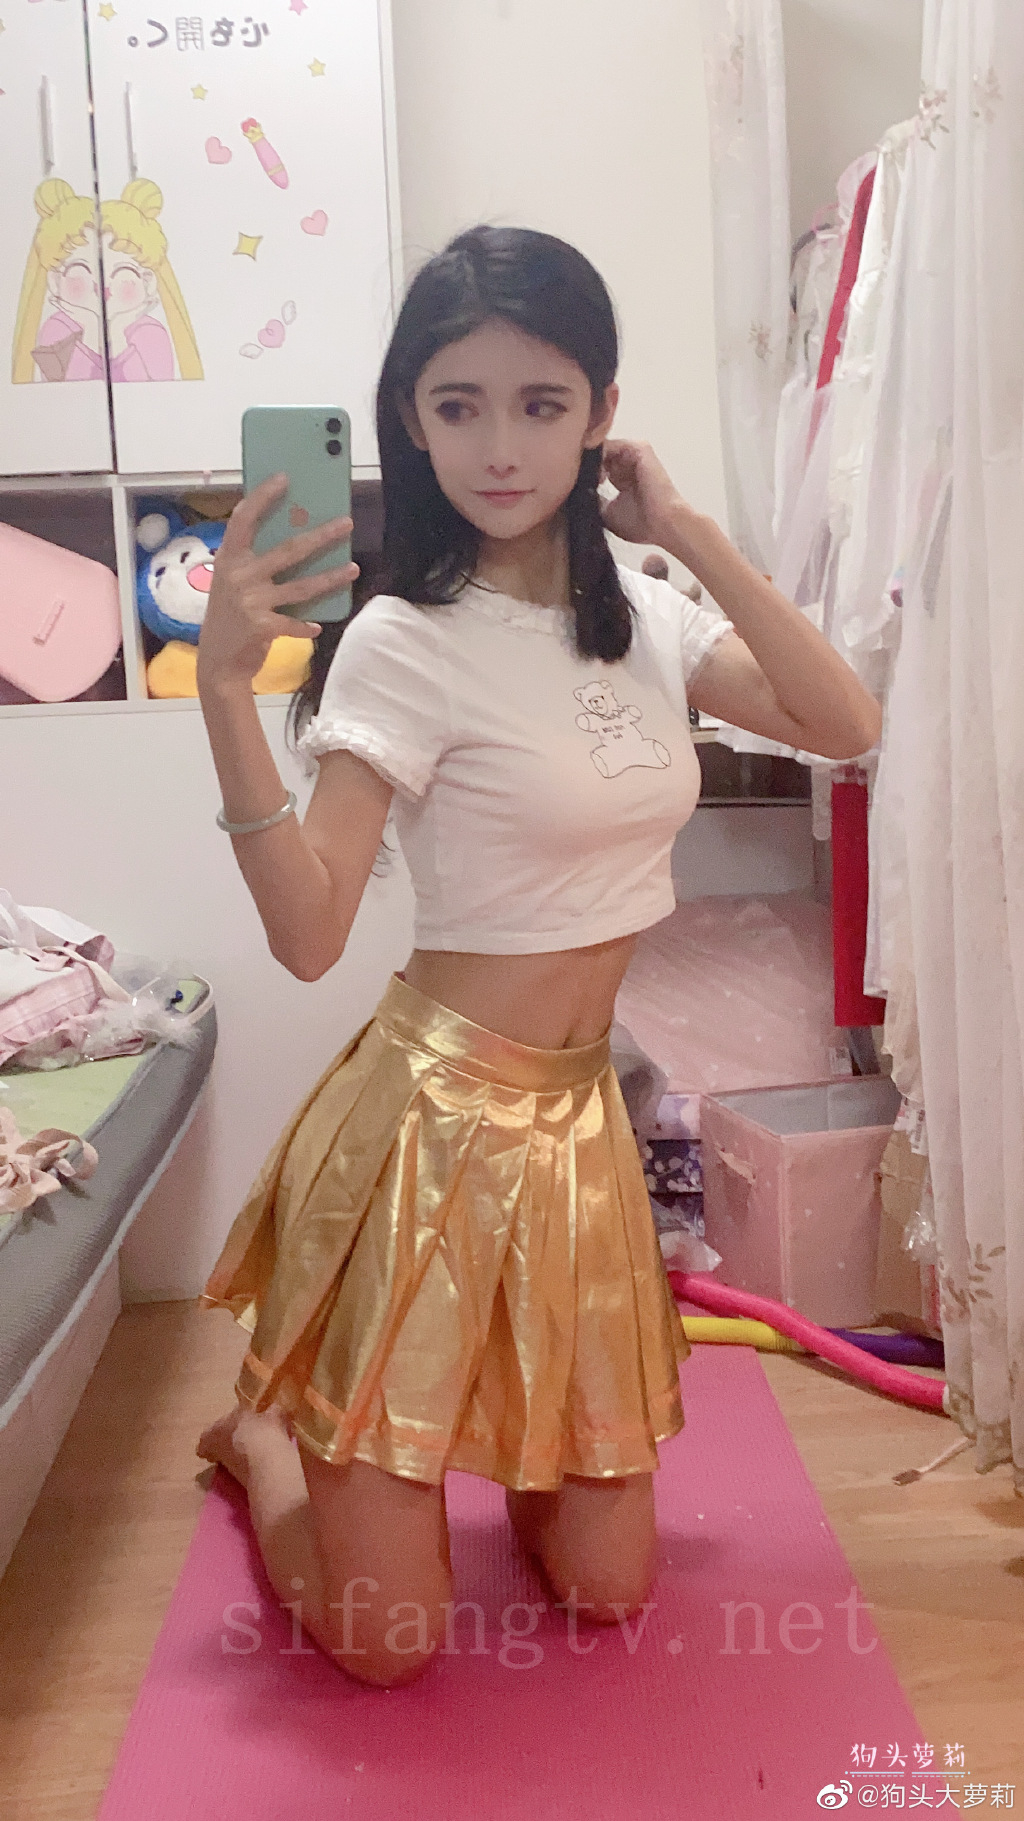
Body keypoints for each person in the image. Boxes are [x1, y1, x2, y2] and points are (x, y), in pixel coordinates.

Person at [194, 225, 881, 1688]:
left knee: (610, 1588)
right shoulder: (402, 637)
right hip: (427, 1128)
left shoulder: (645, 613)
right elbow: (311, 936)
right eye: (458, 405)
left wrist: (685, 527)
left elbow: (844, 721)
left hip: (578, 1133)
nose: (499, 446)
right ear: (411, 418)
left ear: (599, 414)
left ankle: (458, 1444)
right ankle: (269, 1444)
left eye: (540, 402)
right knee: (389, 1647)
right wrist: (224, 693)